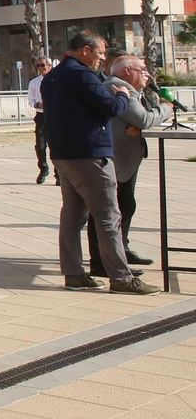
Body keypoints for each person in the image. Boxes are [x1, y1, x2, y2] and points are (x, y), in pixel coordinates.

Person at [40, 31, 157, 294]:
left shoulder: (52, 77)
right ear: (85, 50)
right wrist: (122, 95)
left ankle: (74, 274)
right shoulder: (82, 75)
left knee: (72, 217)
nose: (103, 58)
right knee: (109, 217)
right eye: (100, 53)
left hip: (63, 154)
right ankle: (121, 278)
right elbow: (110, 108)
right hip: (90, 154)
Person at [86, 54, 169, 275]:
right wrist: (166, 108)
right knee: (106, 210)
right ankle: (103, 261)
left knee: (126, 205)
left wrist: (142, 126)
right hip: (113, 159)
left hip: (124, 158)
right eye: (142, 69)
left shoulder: (131, 89)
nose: (147, 73)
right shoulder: (118, 86)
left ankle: (121, 249)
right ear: (127, 71)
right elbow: (143, 118)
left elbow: (139, 121)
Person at [28, 57, 53, 184]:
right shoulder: (34, 83)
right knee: (40, 146)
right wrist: (39, 105)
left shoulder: (56, 80)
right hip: (41, 116)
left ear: (49, 66)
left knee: (55, 145)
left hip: (54, 116)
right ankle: (43, 169)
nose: (40, 68)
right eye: (38, 66)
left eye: (43, 65)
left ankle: (59, 174)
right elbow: (30, 101)